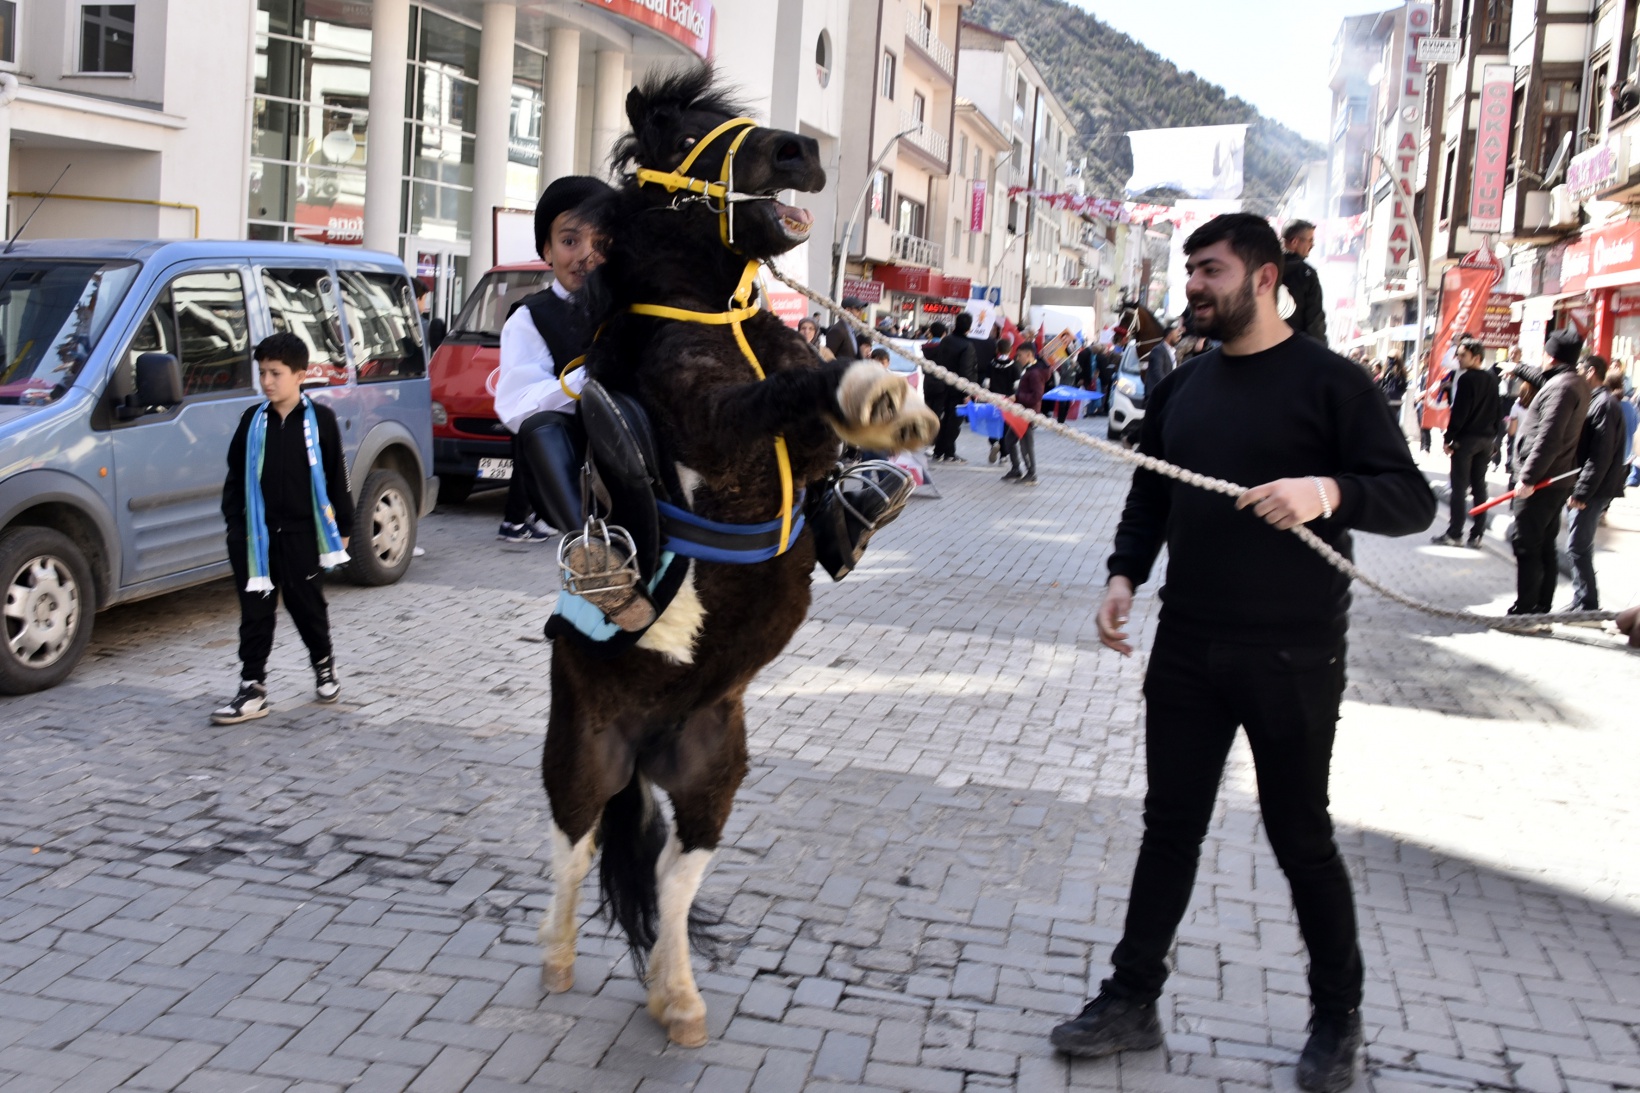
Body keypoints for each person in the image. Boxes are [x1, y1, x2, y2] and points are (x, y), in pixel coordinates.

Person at [1052, 213, 1434, 1093]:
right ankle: (1131, 998)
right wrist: (1123, 575)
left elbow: (1412, 500)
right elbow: (1154, 492)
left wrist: (1324, 489)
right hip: (1186, 645)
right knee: (1168, 828)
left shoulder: (1334, 384)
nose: (1193, 285)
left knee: (1300, 835)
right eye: (1190, 270)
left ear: (1264, 278)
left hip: (1293, 657)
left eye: (1210, 270)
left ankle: (1338, 1018)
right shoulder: (1185, 389)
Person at [213, 333, 355, 725]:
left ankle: (323, 663)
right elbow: (234, 477)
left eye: (275, 373)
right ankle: (252, 686)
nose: (267, 382)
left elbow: (336, 478)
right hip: (255, 537)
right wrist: (235, 525)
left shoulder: (321, 420)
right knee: (254, 613)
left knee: (306, 606)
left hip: (301, 534)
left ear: (300, 374)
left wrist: (343, 526)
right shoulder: (251, 421)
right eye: (262, 373)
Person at [493, 175, 613, 543]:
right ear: (546, 249)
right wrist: (589, 380)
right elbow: (516, 405)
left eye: (601, 242)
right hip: (585, 495)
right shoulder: (531, 318)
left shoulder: (637, 309)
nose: (585, 255)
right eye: (569, 240)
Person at [1506, 330, 1591, 618]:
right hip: (1553, 480)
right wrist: (1517, 368)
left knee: (1527, 544)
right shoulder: (1571, 382)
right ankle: (1540, 607)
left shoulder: (1562, 388)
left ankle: (1526, 610)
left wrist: (1528, 478)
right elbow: (1543, 381)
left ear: (1550, 356)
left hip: (1542, 482)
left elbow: (1549, 437)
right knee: (1543, 543)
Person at [1565, 357, 1627, 611]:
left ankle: (1588, 603)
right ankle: (1582, 600)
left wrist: (1582, 491)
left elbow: (1600, 455)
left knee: (1577, 545)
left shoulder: (1603, 404)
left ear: (1591, 372)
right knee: (1579, 545)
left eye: (1580, 370)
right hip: (1593, 487)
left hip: (1594, 489)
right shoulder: (1599, 402)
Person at [1432, 337, 1501, 547]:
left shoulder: (1466, 379)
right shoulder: (1491, 379)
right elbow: (1498, 411)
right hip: (1487, 440)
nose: (1458, 359)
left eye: (1463, 355)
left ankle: (1455, 533)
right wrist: (1495, 438)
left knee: (1460, 488)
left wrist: (1449, 438)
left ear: (1476, 357)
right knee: (1480, 487)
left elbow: (1459, 413)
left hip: (1467, 441)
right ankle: (1477, 533)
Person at [926, 315, 978, 463]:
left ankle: (939, 451)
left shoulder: (946, 340)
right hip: (958, 389)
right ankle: (949, 452)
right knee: (954, 423)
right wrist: (966, 392)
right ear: (969, 328)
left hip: (943, 385)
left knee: (945, 419)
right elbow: (966, 371)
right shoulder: (967, 346)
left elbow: (939, 361)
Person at [1004, 343, 1050, 484]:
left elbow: (1036, 396)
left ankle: (1031, 473)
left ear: (1029, 355)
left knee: (1026, 445)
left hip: (1028, 413)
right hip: (1021, 411)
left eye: (1020, 355)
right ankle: (1016, 468)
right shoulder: (1030, 370)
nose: (1018, 358)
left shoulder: (1035, 373)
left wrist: (1017, 397)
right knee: (1009, 440)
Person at [1280, 220, 1327, 345]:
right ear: (1295, 241)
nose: (1312, 245)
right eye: (1310, 240)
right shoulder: (1306, 274)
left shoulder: (1262, 267)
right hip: (1294, 349)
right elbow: (1314, 321)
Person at [983, 337, 1022, 465]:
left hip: (993, 399)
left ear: (997, 350)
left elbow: (986, 383)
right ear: (1011, 350)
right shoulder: (1014, 366)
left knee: (992, 424)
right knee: (1005, 427)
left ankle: (994, 442)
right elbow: (1017, 386)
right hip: (1007, 401)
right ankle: (1004, 455)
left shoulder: (991, 364)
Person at [1144, 323, 1180, 391]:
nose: (1178, 336)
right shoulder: (1158, 350)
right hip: (1156, 393)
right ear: (1169, 335)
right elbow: (1157, 372)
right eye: (1176, 334)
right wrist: (1168, 386)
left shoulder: (1173, 352)